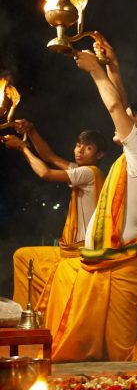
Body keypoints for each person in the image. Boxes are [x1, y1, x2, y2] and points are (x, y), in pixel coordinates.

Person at [44, 37, 137, 362]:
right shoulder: (136, 154)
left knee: (123, 352)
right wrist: (112, 66)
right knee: (61, 281)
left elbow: (117, 107)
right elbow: (124, 104)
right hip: (106, 262)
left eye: (133, 124)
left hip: (123, 265)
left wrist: (93, 70)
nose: (123, 122)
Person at [1, 122, 106, 312]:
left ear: (99, 155)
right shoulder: (85, 171)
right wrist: (32, 130)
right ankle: (28, 313)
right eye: (78, 145)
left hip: (80, 253)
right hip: (73, 250)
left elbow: (45, 173)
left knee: (26, 259)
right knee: (23, 256)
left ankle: (32, 312)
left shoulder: (89, 173)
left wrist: (23, 148)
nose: (80, 150)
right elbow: (50, 157)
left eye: (88, 147)